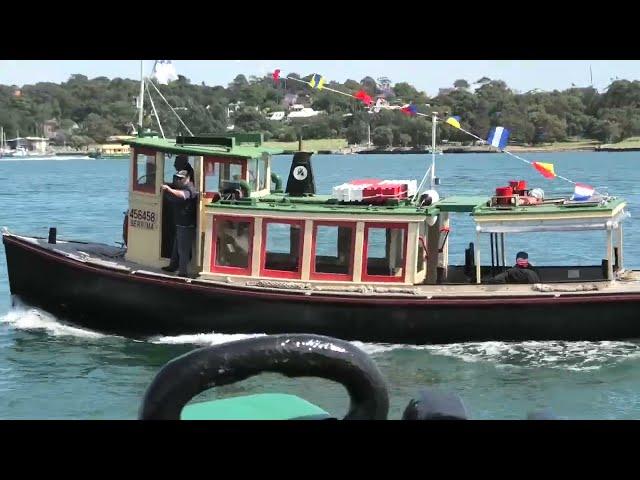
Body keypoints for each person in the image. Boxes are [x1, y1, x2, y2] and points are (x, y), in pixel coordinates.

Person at [161, 170, 199, 277]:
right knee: (176, 246)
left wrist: (169, 189)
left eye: (181, 178)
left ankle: (183, 273)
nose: (178, 180)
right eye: (177, 178)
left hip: (186, 224)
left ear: (188, 178)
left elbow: (182, 196)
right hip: (180, 223)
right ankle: (172, 266)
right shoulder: (181, 187)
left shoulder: (190, 188)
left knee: (183, 250)